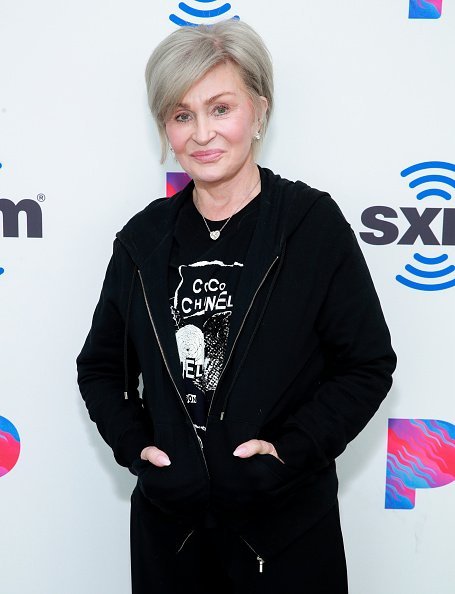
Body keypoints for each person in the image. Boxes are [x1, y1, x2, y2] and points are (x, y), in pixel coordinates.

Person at [76, 20, 396, 594]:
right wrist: (138, 449)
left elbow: (367, 363)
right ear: (164, 129)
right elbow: (100, 366)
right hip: (170, 542)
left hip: (286, 540)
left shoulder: (309, 225)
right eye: (181, 115)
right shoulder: (142, 240)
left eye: (220, 108)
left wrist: (288, 452)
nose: (203, 133)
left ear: (259, 111)